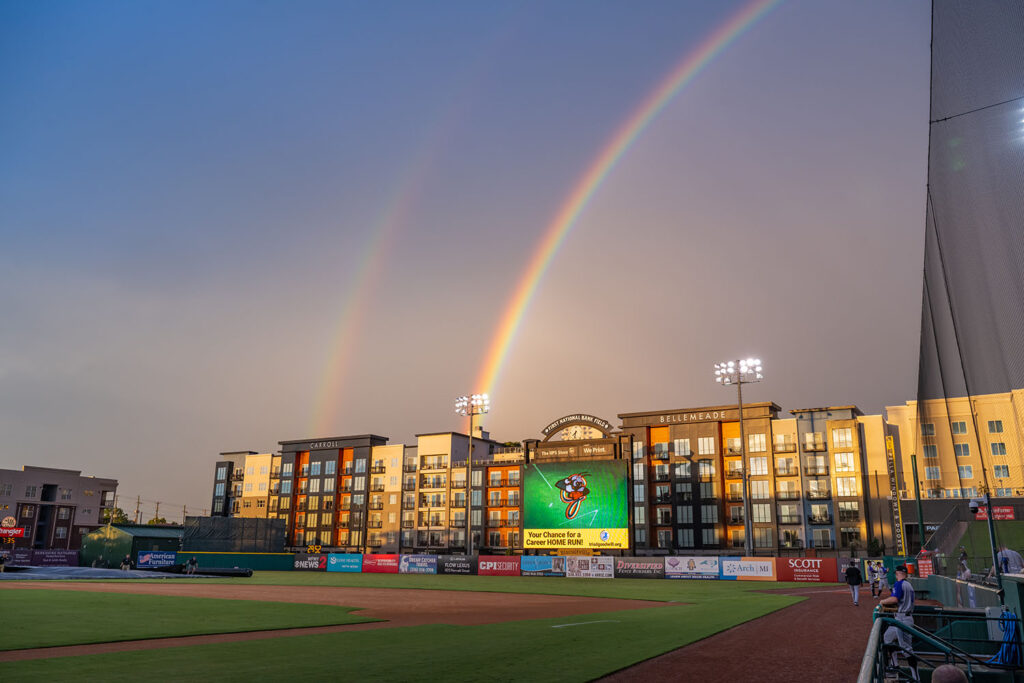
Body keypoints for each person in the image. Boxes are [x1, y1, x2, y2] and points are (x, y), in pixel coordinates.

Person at [879, 565, 918, 679]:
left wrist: (882, 601)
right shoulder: (909, 585)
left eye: (896, 573)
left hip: (903, 619)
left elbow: (894, 599)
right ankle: (895, 665)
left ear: (900, 573)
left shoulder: (900, 583)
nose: (895, 575)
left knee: (906, 649)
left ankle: (916, 678)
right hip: (901, 617)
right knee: (887, 637)